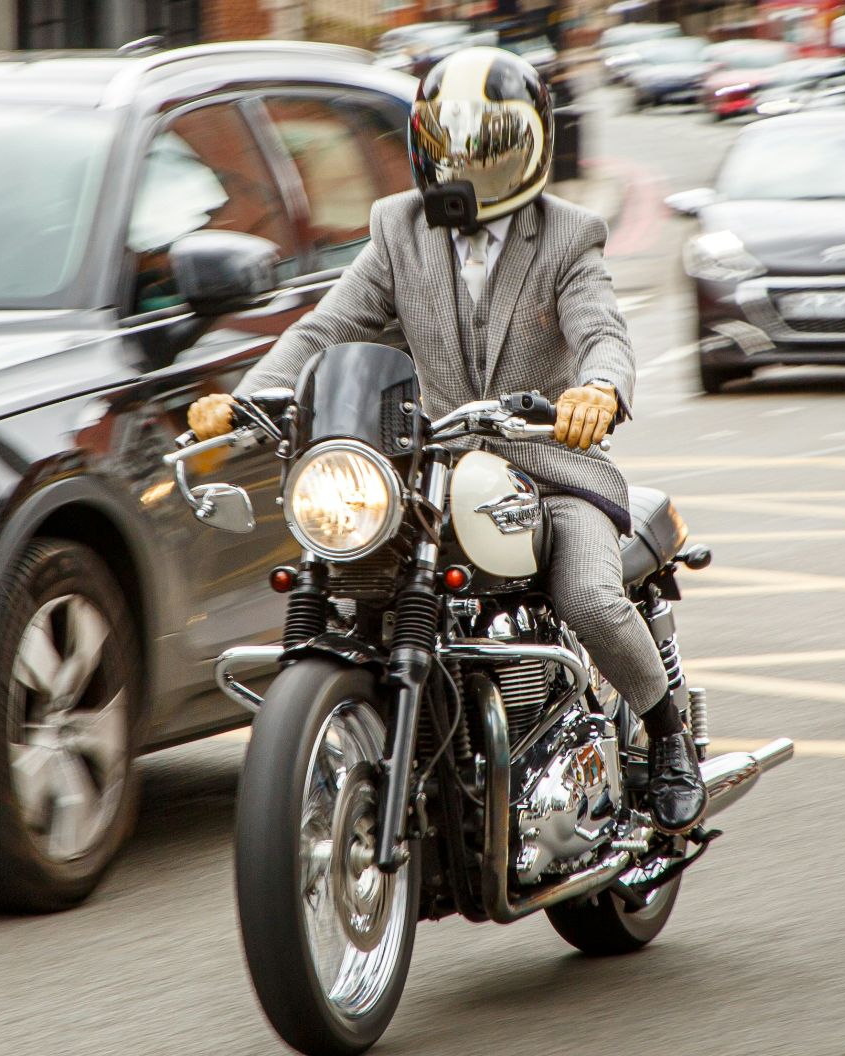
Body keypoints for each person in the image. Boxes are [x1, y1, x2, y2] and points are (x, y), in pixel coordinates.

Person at [187, 46, 706, 833]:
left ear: (530, 144)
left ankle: (668, 739)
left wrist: (599, 391)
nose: (464, 159)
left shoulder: (568, 235)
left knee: (589, 598)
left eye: (486, 142)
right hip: (433, 469)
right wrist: (246, 397)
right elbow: (327, 328)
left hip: (550, 468)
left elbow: (602, 330)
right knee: (355, 574)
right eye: (447, 140)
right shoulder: (399, 228)